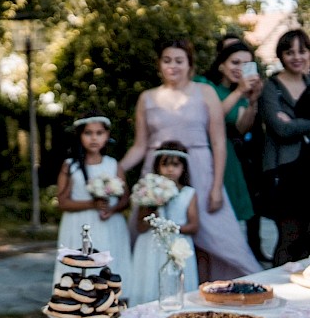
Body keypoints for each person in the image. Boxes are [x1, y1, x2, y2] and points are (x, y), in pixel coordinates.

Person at [120, 37, 260, 282]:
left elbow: (218, 142)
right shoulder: (147, 98)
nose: (173, 66)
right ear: (159, 65)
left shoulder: (205, 92)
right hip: (157, 175)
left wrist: (216, 187)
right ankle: (155, 290)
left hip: (200, 171)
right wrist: (117, 169)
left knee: (219, 238)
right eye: (167, 60)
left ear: (190, 65)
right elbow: (140, 145)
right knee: (153, 234)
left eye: (179, 60)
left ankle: (222, 289)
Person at [195, 41, 263, 251]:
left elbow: (242, 128)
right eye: (235, 62)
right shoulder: (203, 84)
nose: (240, 69)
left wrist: (252, 102)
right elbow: (208, 118)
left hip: (227, 158)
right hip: (201, 152)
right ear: (221, 64)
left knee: (226, 222)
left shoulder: (241, 95)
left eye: (246, 64)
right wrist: (238, 92)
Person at [53, 112, 132, 284]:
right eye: (88, 133)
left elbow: (125, 199)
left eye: (99, 133)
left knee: (109, 267)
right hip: (78, 225)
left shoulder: (113, 164)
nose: (94, 138)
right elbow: (63, 202)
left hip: (109, 224)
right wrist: (91, 203)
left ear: (107, 136)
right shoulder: (70, 166)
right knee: (79, 268)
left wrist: (112, 209)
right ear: (80, 136)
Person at [125, 142, 200, 305]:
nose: (170, 169)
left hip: (177, 245)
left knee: (174, 284)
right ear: (157, 166)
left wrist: (172, 228)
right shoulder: (148, 189)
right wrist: (152, 207)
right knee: (150, 279)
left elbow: (194, 226)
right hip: (150, 245)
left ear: (184, 167)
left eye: (175, 164)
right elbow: (140, 226)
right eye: (165, 164)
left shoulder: (188, 193)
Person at [260, 28, 310, 264]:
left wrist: (296, 123)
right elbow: (281, 129)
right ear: (281, 55)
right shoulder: (272, 88)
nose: (297, 57)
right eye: (290, 52)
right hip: (284, 172)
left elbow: (291, 126)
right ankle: (280, 294)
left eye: (302, 51)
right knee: (290, 236)